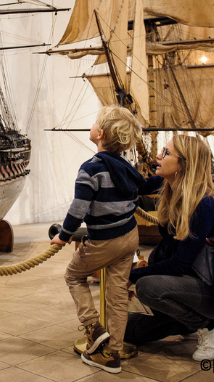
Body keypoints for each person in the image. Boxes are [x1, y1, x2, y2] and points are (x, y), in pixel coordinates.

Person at [50, 106, 144, 374]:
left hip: (104, 241)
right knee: (116, 295)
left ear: (99, 133)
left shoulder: (91, 168)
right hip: (130, 237)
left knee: (73, 276)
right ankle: (112, 354)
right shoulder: (126, 166)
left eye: (94, 123)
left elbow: (78, 208)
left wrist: (64, 236)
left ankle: (93, 328)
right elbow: (143, 186)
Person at [124, 136, 214, 361]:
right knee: (131, 330)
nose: (158, 156)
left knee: (147, 287)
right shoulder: (172, 190)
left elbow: (180, 263)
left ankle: (208, 323)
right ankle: (195, 321)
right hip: (188, 281)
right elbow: (137, 186)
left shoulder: (203, 204)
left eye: (165, 153)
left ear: (184, 163)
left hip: (211, 286)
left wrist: (130, 275)